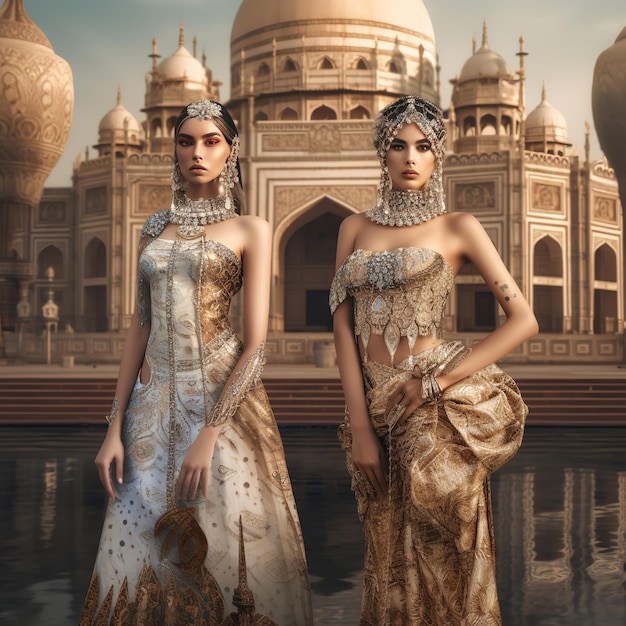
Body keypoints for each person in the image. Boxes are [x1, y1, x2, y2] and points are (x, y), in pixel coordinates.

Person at [81, 99, 313, 625]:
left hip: (220, 404)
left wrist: (210, 432)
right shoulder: (153, 226)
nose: (197, 152)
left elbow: (256, 344)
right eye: (186, 141)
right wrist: (113, 427)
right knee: (139, 545)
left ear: (231, 151)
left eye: (211, 141)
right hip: (151, 409)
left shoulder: (250, 228)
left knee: (226, 542)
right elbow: (139, 326)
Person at [330, 95, 539, 625]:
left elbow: (523, 320)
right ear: (382, 152)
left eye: (423, 147)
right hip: (376, 409)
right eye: (398, 146)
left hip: (436, 411)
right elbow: (340, 324)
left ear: (438, 155)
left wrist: (437, 382)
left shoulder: (458, 226)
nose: (410, 157)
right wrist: (359, 426)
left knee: (449, 554)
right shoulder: (353, 227)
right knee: (386, 560)